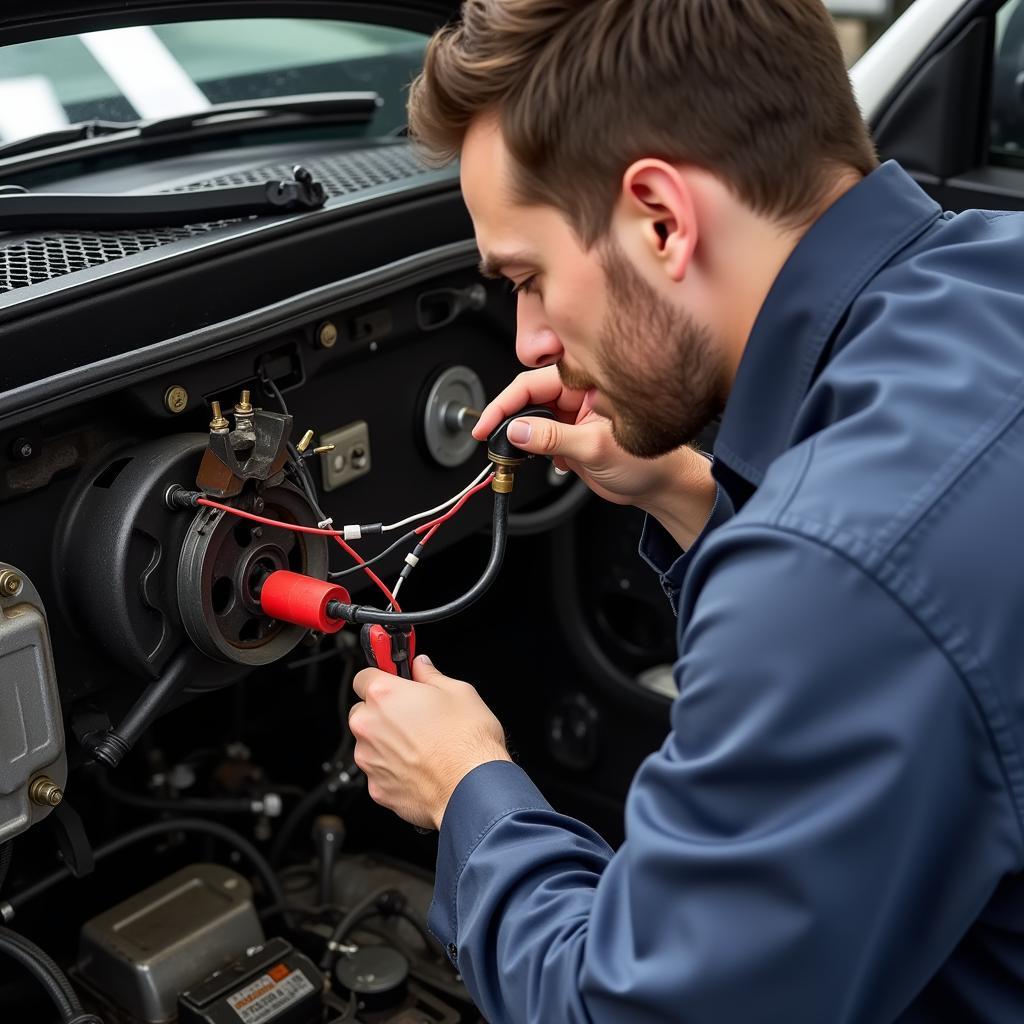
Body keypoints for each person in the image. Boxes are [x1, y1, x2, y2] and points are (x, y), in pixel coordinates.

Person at [346, 1, 1024, 1020]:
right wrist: (682, 490)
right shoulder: (992, 269)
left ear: (659, 218)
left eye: (527, 278)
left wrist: (464, 786)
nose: (527, 339)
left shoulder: (834, 573)